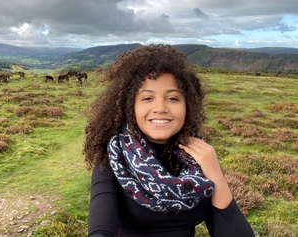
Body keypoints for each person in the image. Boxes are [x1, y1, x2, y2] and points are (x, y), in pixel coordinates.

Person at [83, 44, 255, 237]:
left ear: (187, 105)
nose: (160, 108)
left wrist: (214, 171)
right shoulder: (115, 158)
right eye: (147, 98)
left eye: (173, 98)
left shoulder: (199, 157)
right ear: (129, 106)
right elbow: (100, 230)